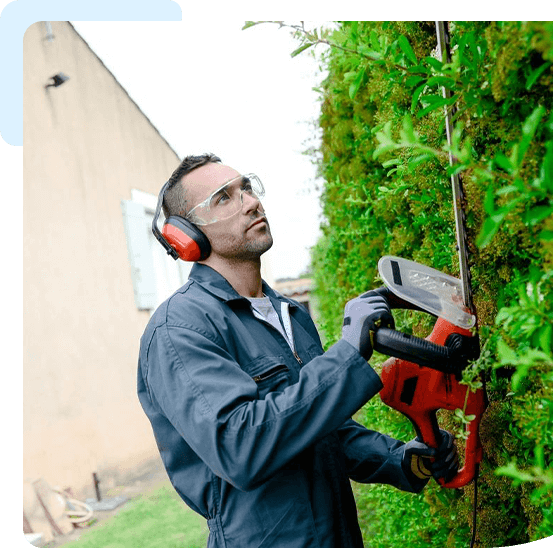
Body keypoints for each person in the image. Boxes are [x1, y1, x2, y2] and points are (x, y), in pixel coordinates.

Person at [137, 153, 459, 548]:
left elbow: (321, 428)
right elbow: (241, 447)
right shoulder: (180, 329)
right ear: (185, 236)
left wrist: (402, 458)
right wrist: (347, 353)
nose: (251, 202)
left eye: (247, 188)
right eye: (224, 198)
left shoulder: (290, 313)